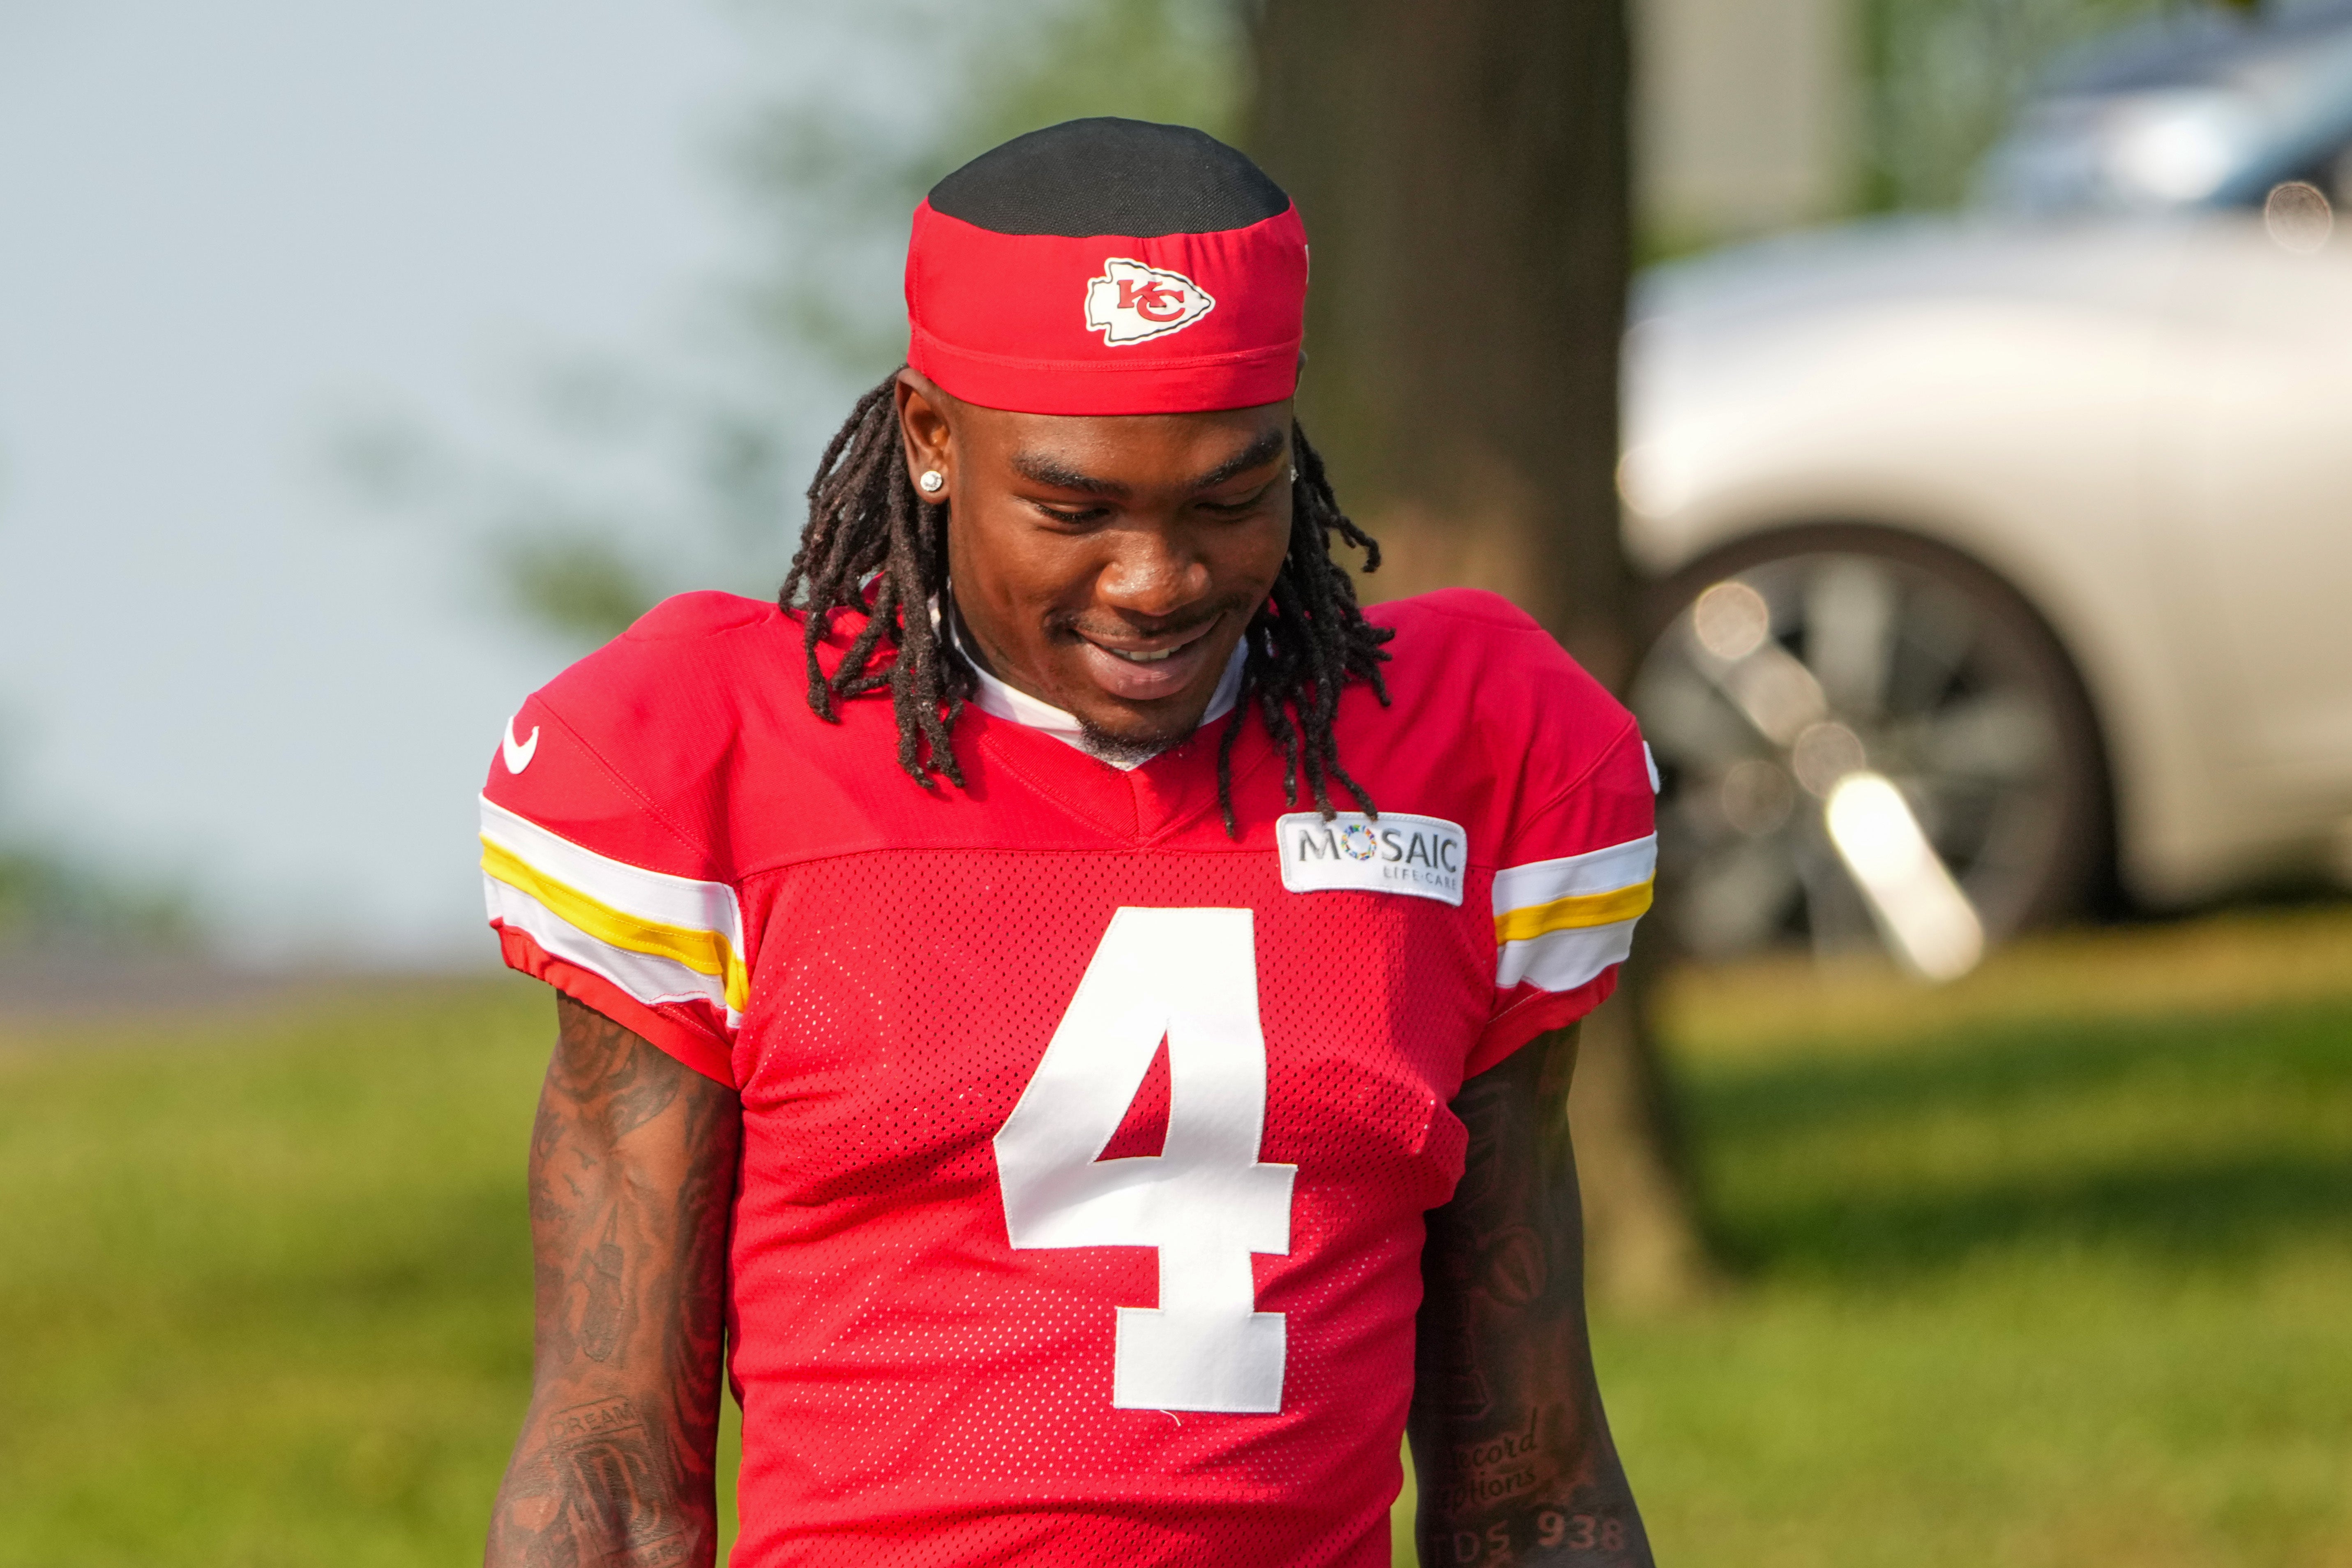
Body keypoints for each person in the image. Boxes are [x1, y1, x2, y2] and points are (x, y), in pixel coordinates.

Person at [479, 117, 1658, 1568]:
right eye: (1072, 507)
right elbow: (608, 1473)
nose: (1158, 581)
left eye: (1233, 499)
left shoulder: (1473, 749)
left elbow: (1529, 1477)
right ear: (930, 438)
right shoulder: (706, 758)